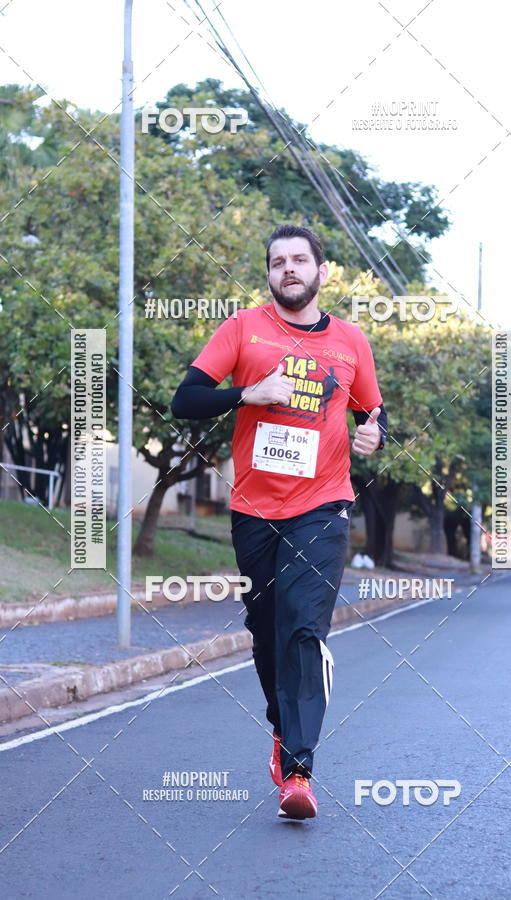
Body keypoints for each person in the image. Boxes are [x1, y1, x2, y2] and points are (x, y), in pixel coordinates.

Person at [171, 224, 387, 820]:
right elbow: (184, 400)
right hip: (255, 510)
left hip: (323, 507)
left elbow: (372, 409)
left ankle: (299, 770)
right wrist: (248, 394)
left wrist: (374, 432)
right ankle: (281, 729)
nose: (288, 268)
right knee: (267, 633)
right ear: (268, 274)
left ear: (322, 271)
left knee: (303, 631)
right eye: (277, 262)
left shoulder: (351, 342)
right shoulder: (243, 328)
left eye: (299, 260)